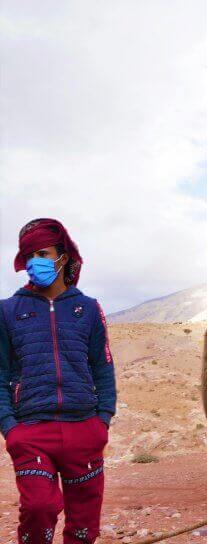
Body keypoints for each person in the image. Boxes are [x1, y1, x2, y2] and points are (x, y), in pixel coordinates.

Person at [0, 218, 116, 544]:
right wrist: (10, 427)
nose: (35, 263)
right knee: (39, 507)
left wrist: (102, 420)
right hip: (31, 431)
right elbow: (0, 373)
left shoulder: (89, 309)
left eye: (42, 253)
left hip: (84, 429)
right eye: (29, 257)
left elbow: (103, 367)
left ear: (62, 257)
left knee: (83, 524)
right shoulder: (7, 311)